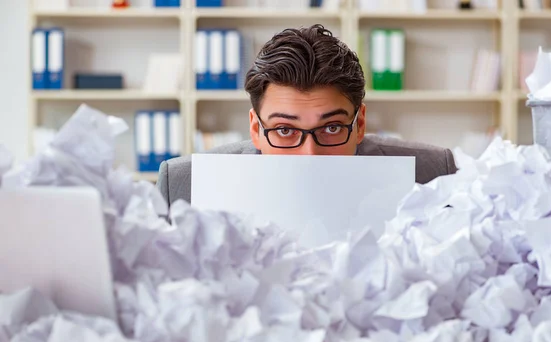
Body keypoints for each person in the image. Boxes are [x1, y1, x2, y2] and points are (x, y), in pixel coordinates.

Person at [157, 24, 457, 207]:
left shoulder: (431, 175)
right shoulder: (186, 184)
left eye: (332, 127)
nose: (309, 153)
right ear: (255, 128)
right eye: (285, 130)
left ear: (360, 123)